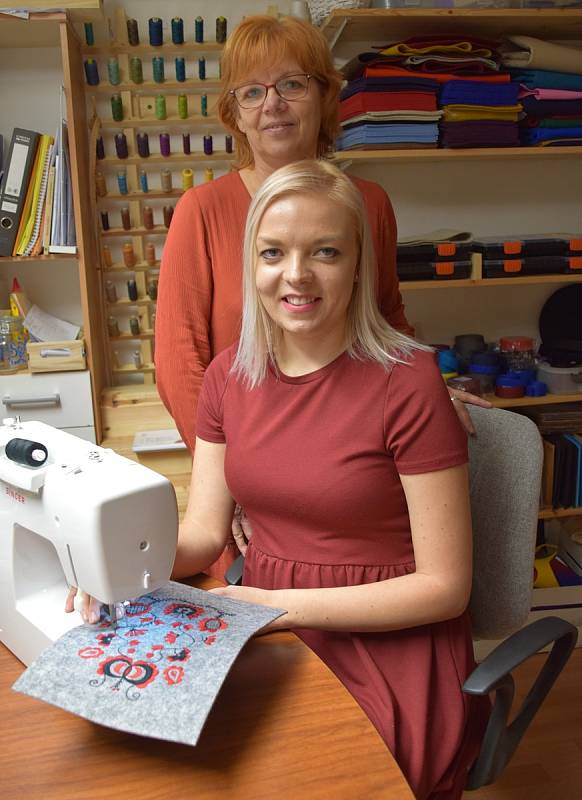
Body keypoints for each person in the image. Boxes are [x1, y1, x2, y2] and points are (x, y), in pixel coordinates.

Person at [174, 159, 490, 800]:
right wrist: (114, 567)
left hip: (390, 642)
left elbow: (445, 587)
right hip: (270, 627)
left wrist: (275, 609)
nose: (296, 274)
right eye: (273, 252)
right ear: (251, 264)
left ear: (357, 265)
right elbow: (205, 533)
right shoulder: (227, 376)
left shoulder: (409, 383)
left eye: (324, 251)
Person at [155, 14, 489, 576]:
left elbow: (386, 319)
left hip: (350, 484)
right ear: (233, 112)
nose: (273, 104)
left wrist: (430, 393)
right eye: (252, 91)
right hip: (249, 484)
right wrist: (236, 479)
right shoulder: (202, 211)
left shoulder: (369, 202)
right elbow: (179, 363)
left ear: (323, 97)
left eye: (292, 84)